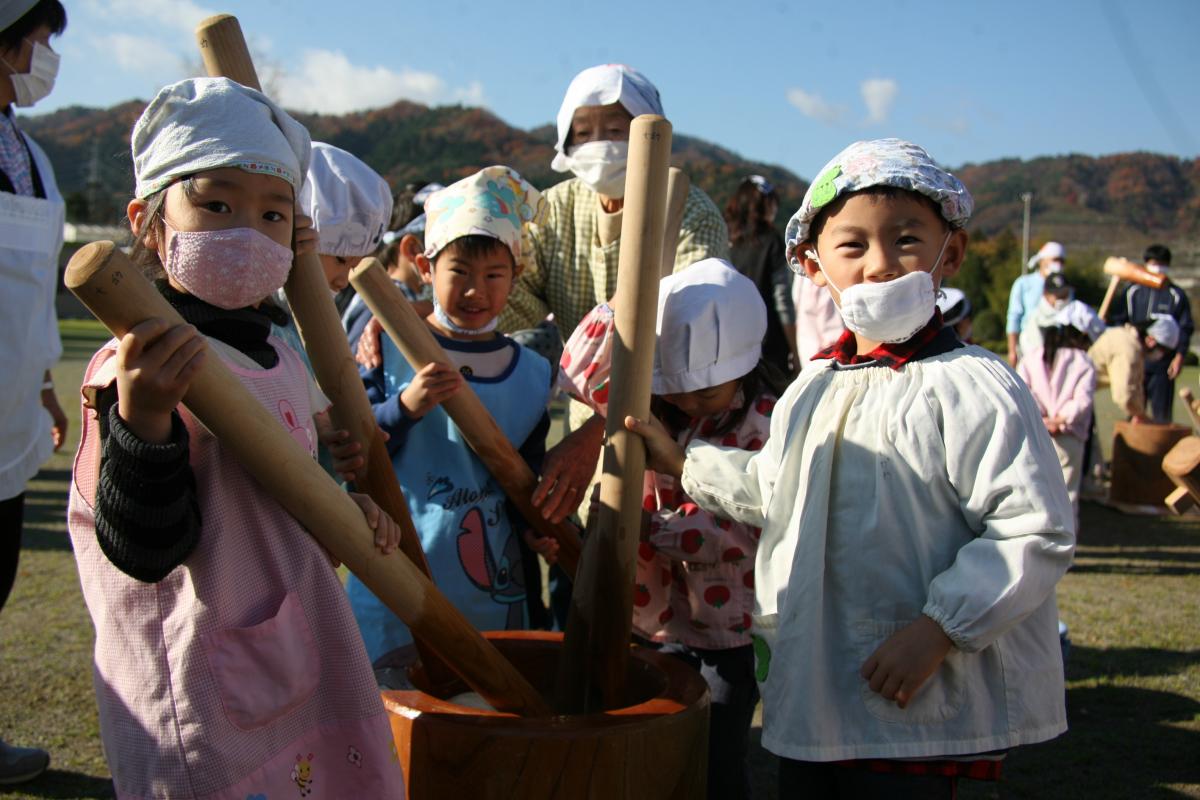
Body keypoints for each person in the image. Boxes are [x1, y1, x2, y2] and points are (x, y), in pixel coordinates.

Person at [627, 139, 1075, 798]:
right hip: (821, 686)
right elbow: (777, 487)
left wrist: (940, 629)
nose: (880, 265)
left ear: (950, 252)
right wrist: (687, 461)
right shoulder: (816, 385)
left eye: (906, 239)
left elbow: (1031, 531)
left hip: (923, 695)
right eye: (853, 245)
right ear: (812, 264)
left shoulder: (975, 385)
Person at [66, 77, 406, 798]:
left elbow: (289, 496)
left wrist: (352, 509)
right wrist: (146, 420)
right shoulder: (133, 367)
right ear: (147, 221)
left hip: (296, 648)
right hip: (201, 682)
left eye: (272, 215)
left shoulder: (280, 355)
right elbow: (142, 547)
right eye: (215, 205)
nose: (246, 231)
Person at [557, 258, 784, 798]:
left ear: (746, 368)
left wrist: (652, 528)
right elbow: (580, 371)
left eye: (704, 393)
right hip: (651, 619)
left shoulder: (766, 425)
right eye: (675, 388)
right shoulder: (651, 406)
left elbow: (739, 531)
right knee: (648, 750)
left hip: (727, 631)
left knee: (714, 758)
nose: (686, 402)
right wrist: (627, 307)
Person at [345, 166, 556, 663]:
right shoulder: (388, 348)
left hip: (492, 581)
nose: (475, 291)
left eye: (493, 275)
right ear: (425, 266)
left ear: (517, 275)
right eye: (458, 271)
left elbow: (527, 478)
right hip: (392, 567)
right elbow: (354, 451)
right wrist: (405, 407)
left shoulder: (530, 372)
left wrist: (539, 529)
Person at [509, 63, 730, 528]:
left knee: (658, 551)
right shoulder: (557, 208)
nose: (601, 145)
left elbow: (686, 338)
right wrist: (426, 313)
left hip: (670, 413)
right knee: (585, 544)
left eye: (616, 129)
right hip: (584, 412)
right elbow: (515, 299)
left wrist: (599, 432)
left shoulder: (688, 209)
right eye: (584, 132)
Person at [0, 0, 66, 784]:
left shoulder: (30, 152)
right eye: (40, 40)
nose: (45, 56)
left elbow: (29, 289)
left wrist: (43, 388)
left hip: (13, 398)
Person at [1018, 300, 1099, 521]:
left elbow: (1024, 393)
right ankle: (1065, 549)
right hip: (1069, 436)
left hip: (1037, 433)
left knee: (1037, 494)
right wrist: (1061, 420)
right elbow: (1082, 400)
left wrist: (1044, 420)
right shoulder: (1084, 361)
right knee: (1067, 495)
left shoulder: (1031, 358)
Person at [343, 181, 441, 354]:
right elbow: (361, 367)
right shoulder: (377, 301)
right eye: (439, 244)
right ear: (412, 248)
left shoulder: (396, 296)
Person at [1108, 244, 1193, 422]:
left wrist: (1179, 357)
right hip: (1135, 360)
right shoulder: (1132, 292)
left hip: (1163, 364)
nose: (1157, 267)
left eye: (1161, 263)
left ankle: (1161, 447)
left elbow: (1185, 328)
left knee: (1162, 416)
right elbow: (1117, 320)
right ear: (1146, 264)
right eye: (1154, 263)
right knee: (1134, 413)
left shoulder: (1176, 294)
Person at [724, 174, 797, 373]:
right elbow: (782, 300)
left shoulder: (726, 239)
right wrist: (795, 350)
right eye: (773, 203)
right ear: (764, 204)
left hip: (729, 341)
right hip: (768, 342)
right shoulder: (772, 241)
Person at [1006, 240, 1066, 366]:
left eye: (1062, 261)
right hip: (1029, 344)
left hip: (1057, 347)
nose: (1059, 264)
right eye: (1055, 259)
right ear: (1042, 261)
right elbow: (1014, 317)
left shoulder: (1065, 286)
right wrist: (1012, 350)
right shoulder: (1024, 283)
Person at [1017, 271, 1073, 357]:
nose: (1061, 299)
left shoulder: (1076, 314)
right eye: (1057, 295)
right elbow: (1038, 358)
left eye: (1063, 294)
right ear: (1046, 294)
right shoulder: (1036, 320)